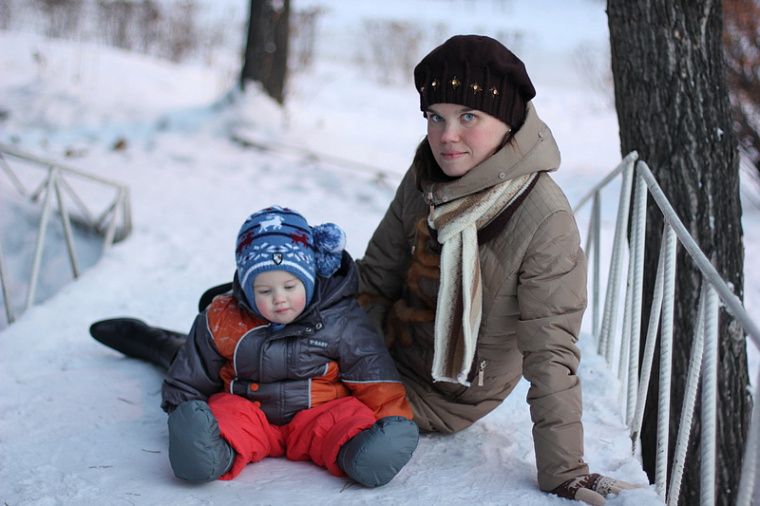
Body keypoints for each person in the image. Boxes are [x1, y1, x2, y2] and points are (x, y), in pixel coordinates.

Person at [91, 36, 639, 505]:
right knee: (250, 305)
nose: (447, 135)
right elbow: (377, 273)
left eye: (468, 116)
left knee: (274, 360)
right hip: (376, 344)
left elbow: (552, 352)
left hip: (435, 388)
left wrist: (565, 470)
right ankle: (203, 344)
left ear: (510, 121)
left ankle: (176, 356)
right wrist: (315, 316)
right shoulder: (429, 172)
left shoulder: (544, 219)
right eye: (436, 117)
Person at [91, 206, 418, 487]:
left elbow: (372, 374)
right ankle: (203, 453)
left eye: (290, 286)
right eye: (264, 290)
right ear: (246, 290)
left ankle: (366, 453)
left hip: (319, 412)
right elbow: (190, 375)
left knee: (347, 419)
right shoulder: (223, 318)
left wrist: (392, 417)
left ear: (310, 279)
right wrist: (183, 409)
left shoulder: (341, 318)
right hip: (249, 410)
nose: (279, 299)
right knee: (223, 418)